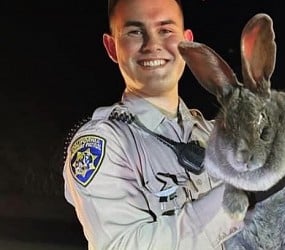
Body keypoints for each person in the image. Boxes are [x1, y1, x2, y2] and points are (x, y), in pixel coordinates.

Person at [62, 0, 245, 249]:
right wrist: (243, 194)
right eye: (135, 32)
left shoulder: (215, 135)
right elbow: (121, 245)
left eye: (166, 30)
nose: (152, 45)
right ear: (112, 47)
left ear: (188, 45)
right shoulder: (104, 143)